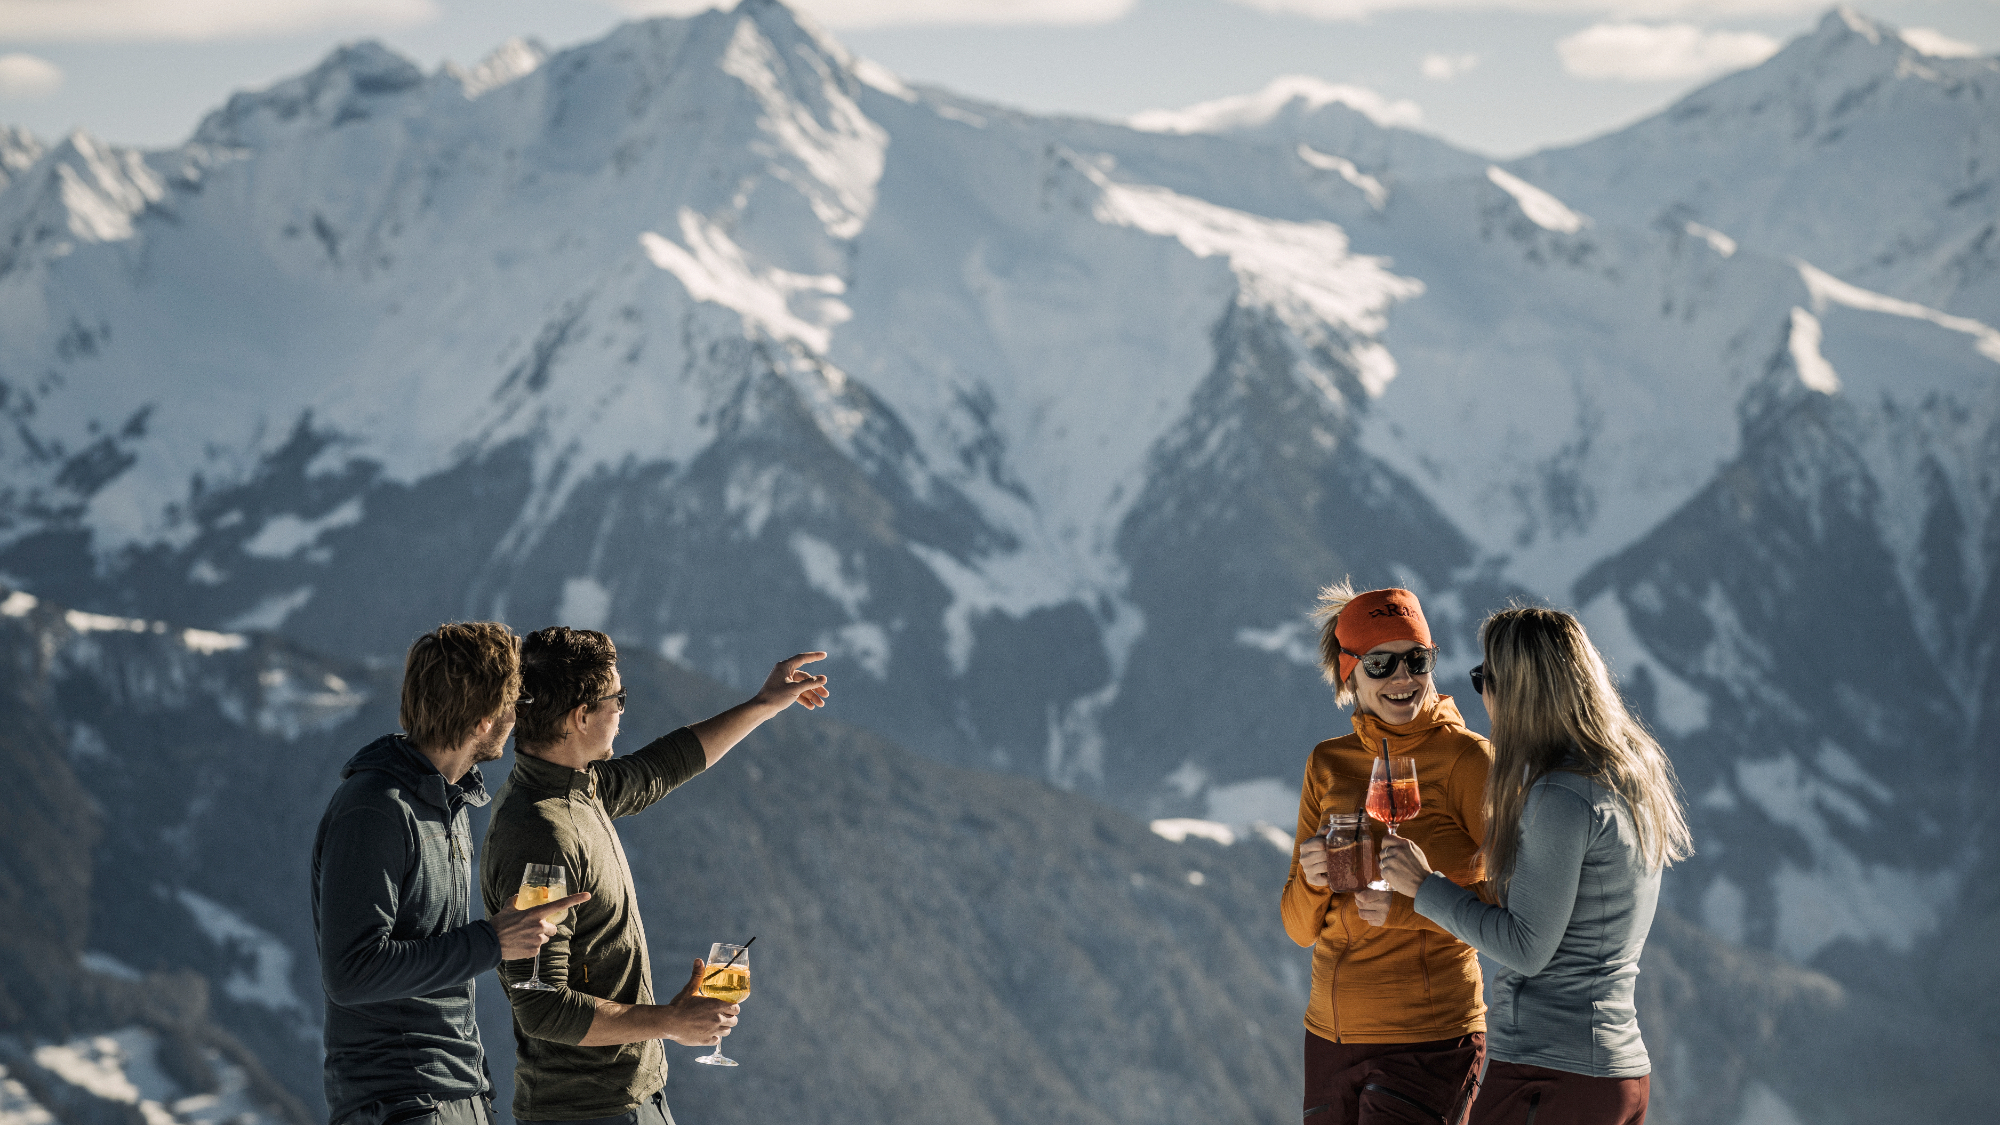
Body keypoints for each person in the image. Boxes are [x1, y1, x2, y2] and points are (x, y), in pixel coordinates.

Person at [480, 627, 830, 1125]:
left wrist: (765, 704)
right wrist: (671, 1022)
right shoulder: (544, 835)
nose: (623, 710)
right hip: (587, 1112)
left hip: (625, 1103)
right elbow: (541, 1007)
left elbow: (662, 766)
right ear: (581, 716)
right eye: (617, 699)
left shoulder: (580, 789)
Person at [1381, 607, 1693, 1125]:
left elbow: (1526, 948)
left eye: (1484, 678)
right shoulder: (1628, 780)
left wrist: (1423, 887)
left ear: (1520, 690)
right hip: (1616, 1072)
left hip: (1550, 1074)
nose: (1481, 694)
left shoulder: (1559, 798)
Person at [312, 622, 589, 1125]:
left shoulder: (447, 801)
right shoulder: (375, 810)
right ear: (484, 721)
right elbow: (350, 973)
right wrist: (493, 941)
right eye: (515, 702)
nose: (519, 715)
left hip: (453, 1092)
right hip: (401, 1100)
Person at [1282, 583, 1496, 1124]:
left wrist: (1411, 905)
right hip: (1329, 1036)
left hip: (1428, 1037)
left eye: (1417, 660)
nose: (1403, 679)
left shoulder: (1468, 761)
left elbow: (1512, 903)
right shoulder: (1327, 763)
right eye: (1381, 664)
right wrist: (1311, 879)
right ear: (1349, 672)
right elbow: (1298, 927)